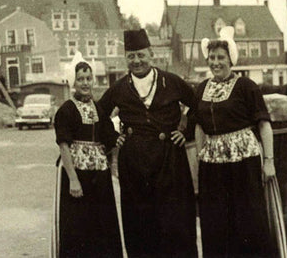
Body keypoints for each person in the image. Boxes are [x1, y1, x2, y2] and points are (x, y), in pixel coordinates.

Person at [98, 29, 198, 258]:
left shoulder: (171, 82)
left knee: (175, 223)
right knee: (139, 224)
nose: (137, 61)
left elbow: (197, 105)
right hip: (134, 163)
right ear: (126, 58)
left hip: (170, 161)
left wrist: (186, 131)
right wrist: (113, 138)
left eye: (141, 55)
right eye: (131, 56)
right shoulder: (119, 88)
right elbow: (99, 114)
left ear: (151, 54)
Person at [192, 26, 275, 257]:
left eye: (221, 57)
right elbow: (199, 125)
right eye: (212, 58)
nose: (215, 62)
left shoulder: (246, 87)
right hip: (212, 162)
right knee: (216, 220)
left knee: (248, 218)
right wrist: (201, 156)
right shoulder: (201, 89)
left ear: (231, 59)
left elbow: (264, 125)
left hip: (243, 160)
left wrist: (269, 161)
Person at [54, 56, 123, 258]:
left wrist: (122, 136)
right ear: (73, 82)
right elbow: (64, 146)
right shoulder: (66, 110)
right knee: (78, 226)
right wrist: (73, 180)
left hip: (99, 175)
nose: (85, 83)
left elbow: (109, 136)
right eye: (81, 79)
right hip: (78, 176)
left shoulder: (98, 108)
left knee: (102, 223)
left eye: (88, 78)